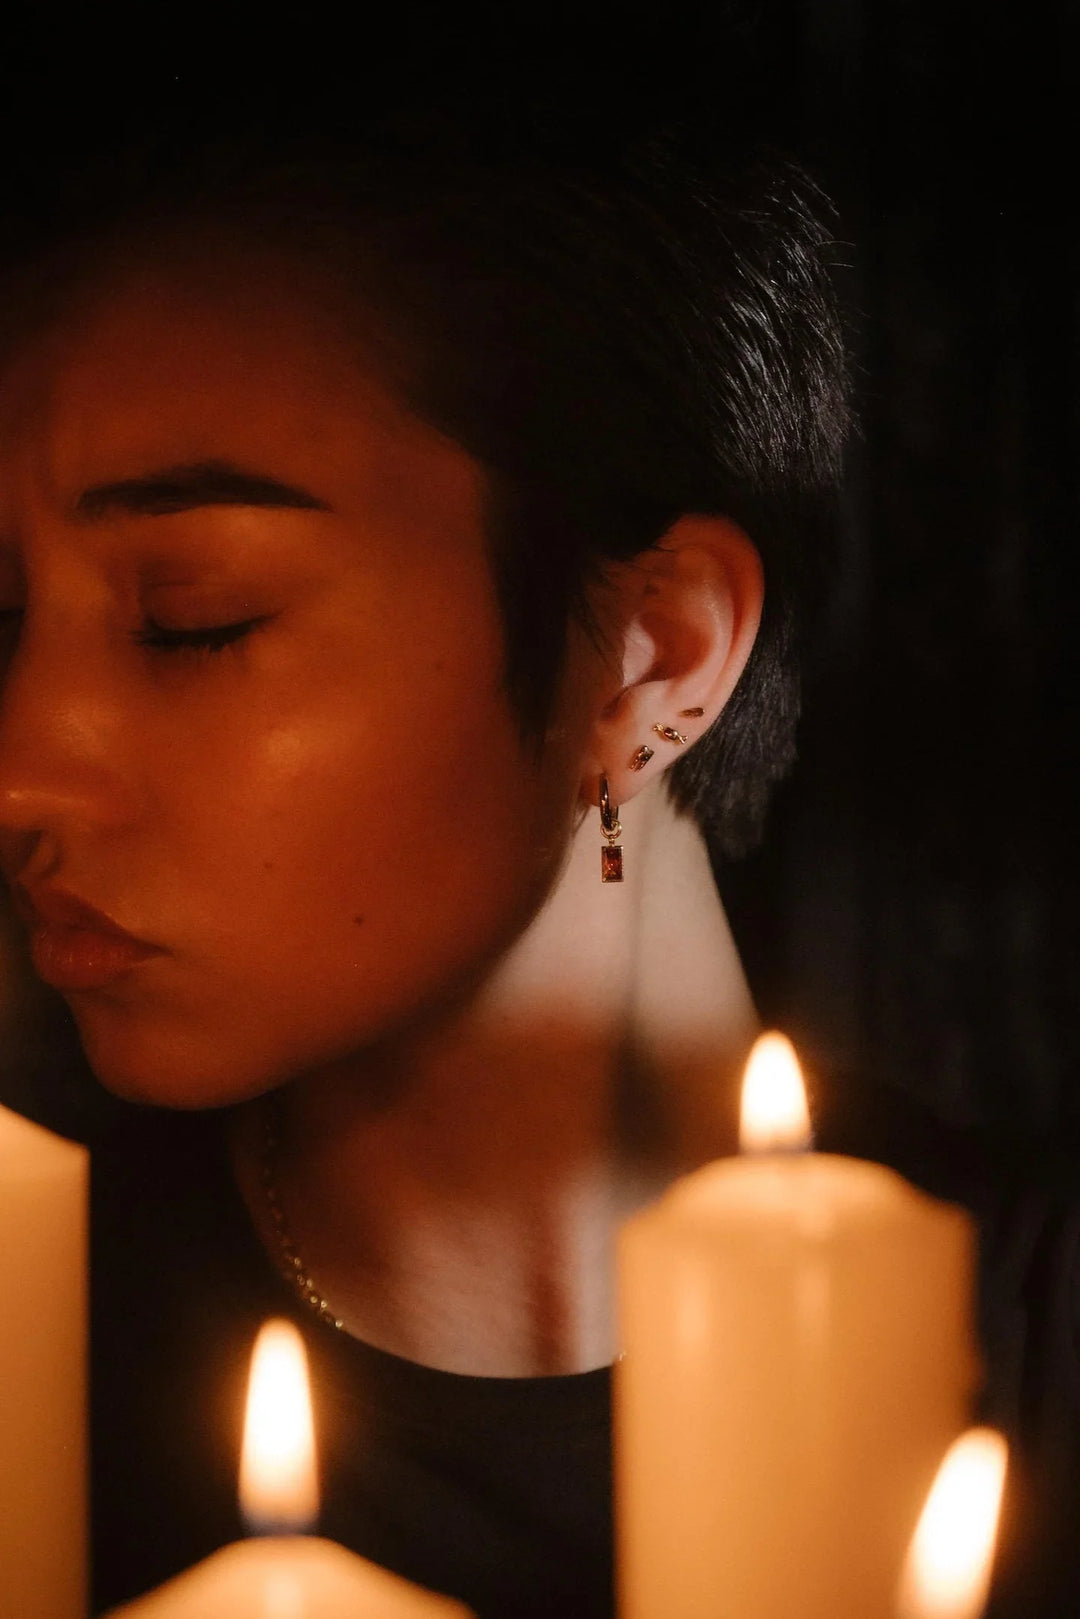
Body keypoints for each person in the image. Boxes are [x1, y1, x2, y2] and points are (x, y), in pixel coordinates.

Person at [0, 112, 849, 1616]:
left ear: (654, 656)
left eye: (193, 616)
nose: (24, 766)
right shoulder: (40, 1372)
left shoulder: (1028, 1349)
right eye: (3, 620)